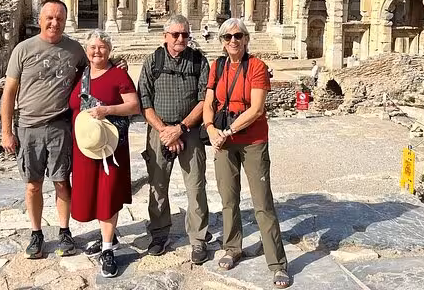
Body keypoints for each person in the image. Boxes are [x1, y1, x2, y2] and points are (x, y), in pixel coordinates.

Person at [203, 18, 290, 289]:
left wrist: (226, 131)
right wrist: (209, 129)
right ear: (221, 41)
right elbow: (208, 102)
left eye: (238, 36)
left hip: (252, 140)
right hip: (223, 141)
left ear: (246, 39)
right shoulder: (216, 66)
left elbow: (256, 109)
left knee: (262, 202)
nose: (233, 41)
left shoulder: (257, 66)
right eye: (228, 37)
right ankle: (232, 247)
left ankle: (277, 263)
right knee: (228, 198)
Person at [1, 0, 86, 259]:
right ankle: (36, 233)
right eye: (49, 17)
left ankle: (64, 231)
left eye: (59, 18)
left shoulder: (75, 49)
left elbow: (92, 73)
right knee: (33, 185)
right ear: (40, 19)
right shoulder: (23, 49)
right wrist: (6, 132)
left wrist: (117, 67)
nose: (54, 23)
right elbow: (9, 92)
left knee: (62, 181)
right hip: (28, 126)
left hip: (60, 125)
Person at [137, 15, 212, 264]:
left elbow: (205, 101)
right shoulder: (153, 61)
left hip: (189, 131)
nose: (181, 39)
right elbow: (145, 101)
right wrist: (165, 131)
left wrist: (179, 128)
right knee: (158, 185)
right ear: (165, 36)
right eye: (176, 34)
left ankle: (198, 239)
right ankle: (159, 234)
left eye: (185, 35)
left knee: (196, 186)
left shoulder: (199, 61)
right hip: (159, 132)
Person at [69, 30, 140, 278]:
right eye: (92, 47)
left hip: (110, 147)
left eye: (101, 47)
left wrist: (107, 109)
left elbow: (134, 105)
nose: (97, 51)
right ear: (86, 50)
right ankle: (106, 237)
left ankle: (108, 248)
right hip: (85, 147)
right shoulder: (80, 74)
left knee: (108, 195)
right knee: (92, 196)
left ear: (109, 50)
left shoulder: (118, 74)